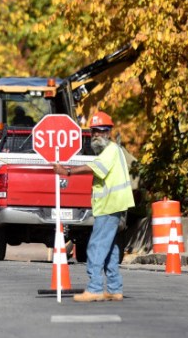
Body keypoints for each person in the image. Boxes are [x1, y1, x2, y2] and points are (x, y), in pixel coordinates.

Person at [53, 111, 135, 302]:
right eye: (94, 131)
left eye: (101, 131)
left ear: (109, 132)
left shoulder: (111, 150)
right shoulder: (111, 151)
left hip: (110, 206)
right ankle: (114, 289)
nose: (97, 135)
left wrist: (68, 172)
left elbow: (95, 167)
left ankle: (95, 288)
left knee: (96, 246)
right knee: (111, 249)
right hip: (114, 206)